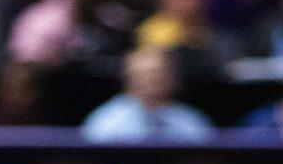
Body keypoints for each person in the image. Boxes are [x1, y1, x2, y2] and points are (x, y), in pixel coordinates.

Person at [81, 48, 212, 143]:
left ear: (173, 78)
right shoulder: (105, 123)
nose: (153, 80)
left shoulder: (192, 122)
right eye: (145, 74)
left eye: (160, 73)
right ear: (128, 79)